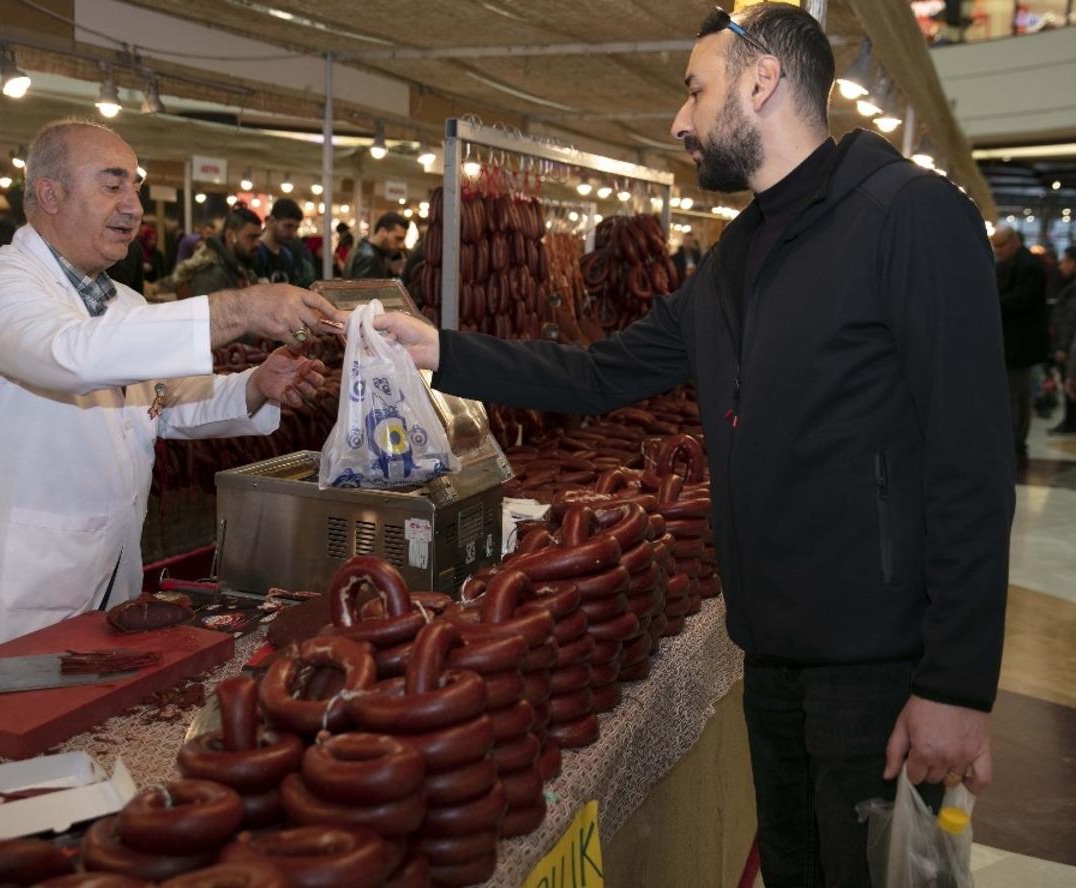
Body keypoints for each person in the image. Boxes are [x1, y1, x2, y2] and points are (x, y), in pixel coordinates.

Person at [373, 6, 1013, 886]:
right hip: (774, 650)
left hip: (880, 662)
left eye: (694, 89)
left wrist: (958, 684)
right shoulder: (733, 259)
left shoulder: (908, 215)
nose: (679, 120)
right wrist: (441, 351)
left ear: (762, 82)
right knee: (798, 868)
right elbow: (599, 374)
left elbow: (971, 459)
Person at [0, 119, 341, 661]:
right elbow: (68, 355)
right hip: (13, 584)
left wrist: (256, 386)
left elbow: (165, 405)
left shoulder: (125, 303)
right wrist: (240, 308)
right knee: (1, 734)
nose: (134, 205)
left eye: (135, 186)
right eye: (112, 185)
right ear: (50, 194)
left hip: (109, 572)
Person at [990, 224, 1049, 468]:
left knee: (1017, 395)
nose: (998, 250)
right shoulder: (1010, 264)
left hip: (1020, 343)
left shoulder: (1028, 266)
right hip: (1010, 340)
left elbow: (1021, 300)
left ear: (1014, 242)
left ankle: (1015, 442)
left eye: (1001, 245)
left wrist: (990, 302)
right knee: (1011, 394)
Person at [167, 206, 262, 297]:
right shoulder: (210, 276)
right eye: (252, 237)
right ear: (230, 236)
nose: (258, 244)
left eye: (259, 237)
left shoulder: (243, 269)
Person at [1048, 245, 1076, 435]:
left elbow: (1071, 319)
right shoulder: (1069, 285)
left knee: (1070, 383)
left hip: (1071, 347)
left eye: (1066, 261)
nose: (1061, 266)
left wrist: (1063, 347)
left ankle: (1070, 422)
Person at [257, 199, 316, 288]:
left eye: (296, 228)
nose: (293, 233)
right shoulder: (255, 251)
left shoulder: (287, 255)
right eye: (288, 226)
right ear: (271, 221)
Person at [344, 212, 407, 279]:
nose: (401, 245)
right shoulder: (368, 256)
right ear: (383, 232)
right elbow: (364, 288)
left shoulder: (367, 250)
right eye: (398, 239)